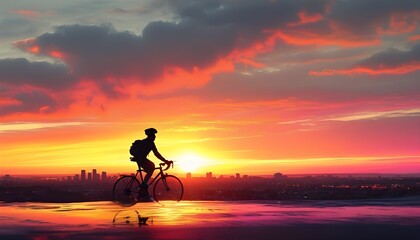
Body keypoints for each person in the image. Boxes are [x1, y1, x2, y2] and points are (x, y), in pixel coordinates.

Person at [132, 128, 170, 198]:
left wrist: (164, 160)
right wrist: (165, 161)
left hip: (141, 158)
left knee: (151, 168)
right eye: (154, 135)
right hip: (140, 159)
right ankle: (143, 187)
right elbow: (156, 154)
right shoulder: (149, 143)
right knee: (151, 167)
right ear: (150, 136)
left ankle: (142, 189)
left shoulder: (146, 142)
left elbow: (156, 153)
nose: (155, 137)